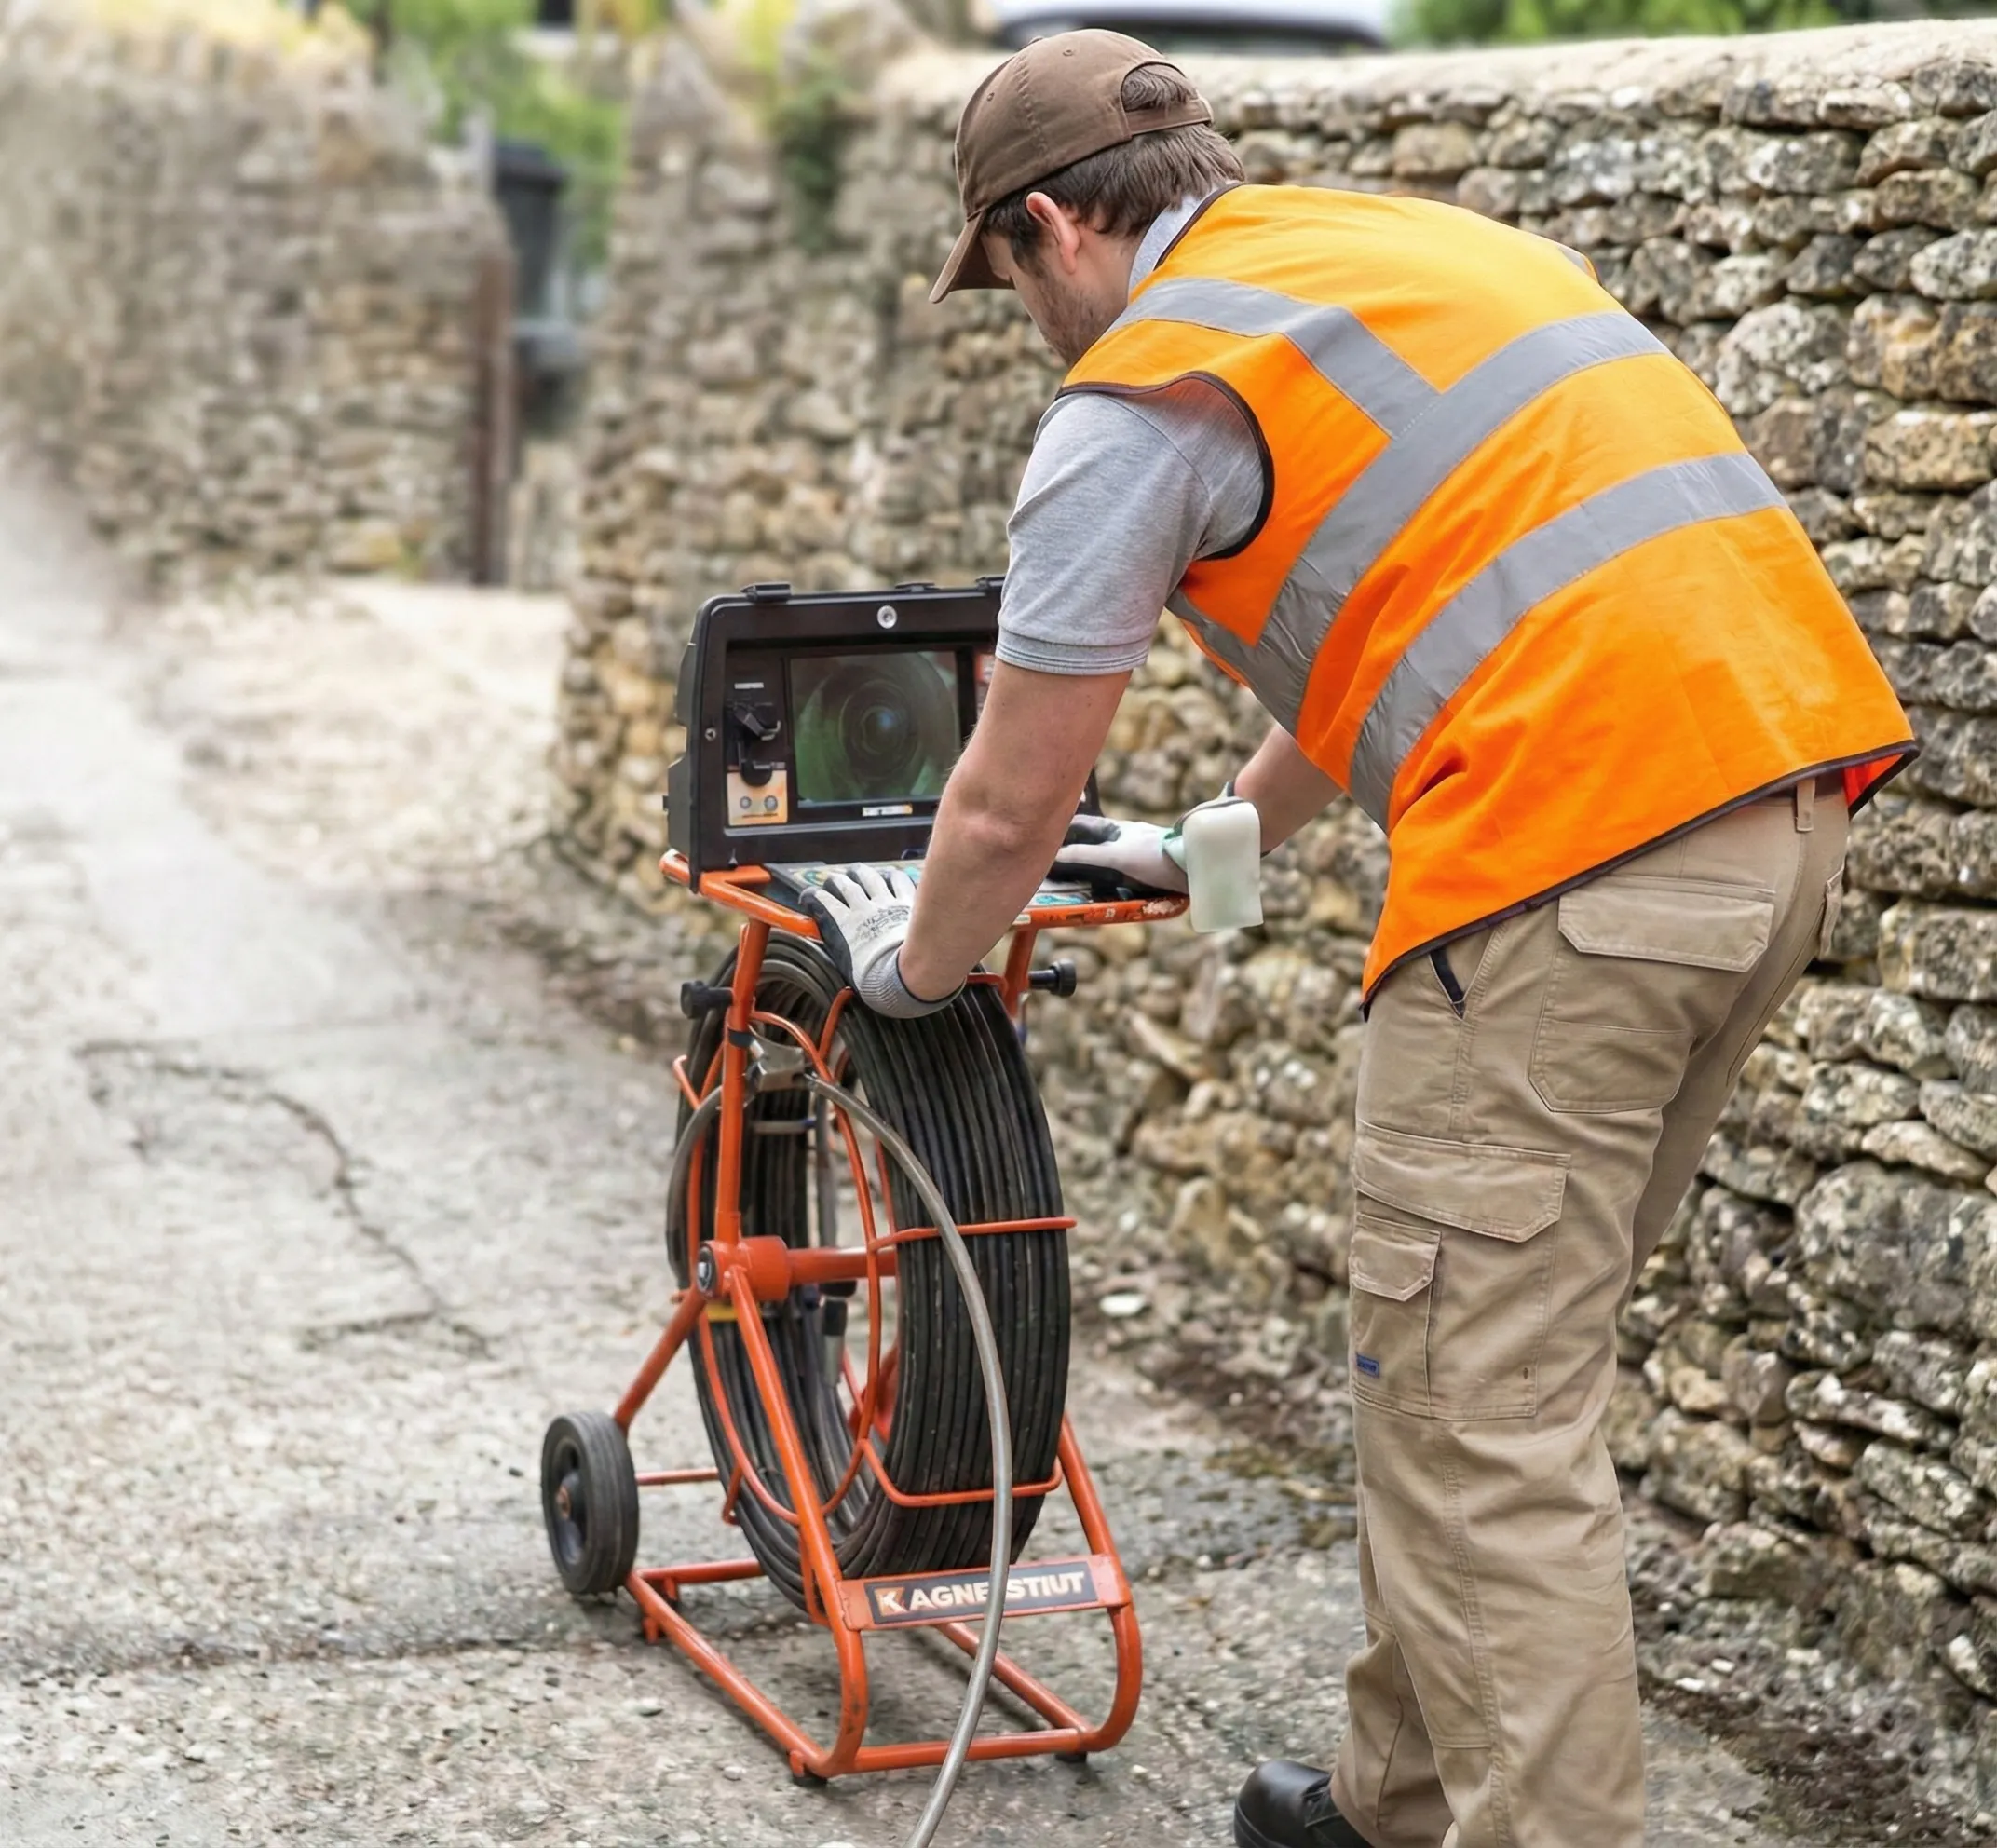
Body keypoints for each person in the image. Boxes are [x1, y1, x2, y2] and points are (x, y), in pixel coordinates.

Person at [800, 29, 1913, 1848]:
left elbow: (1001, 805)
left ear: (1054, 226)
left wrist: (908, 977)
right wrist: (1216, 849)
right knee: (1473, 1374)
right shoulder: (1396, 259)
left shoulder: (1141, 393)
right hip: (1768, 829)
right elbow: (1430, 604)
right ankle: (1399, 1800)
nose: (1026, 323)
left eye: (1005, 280)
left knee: (1475, 1416)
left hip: (1569, 875)